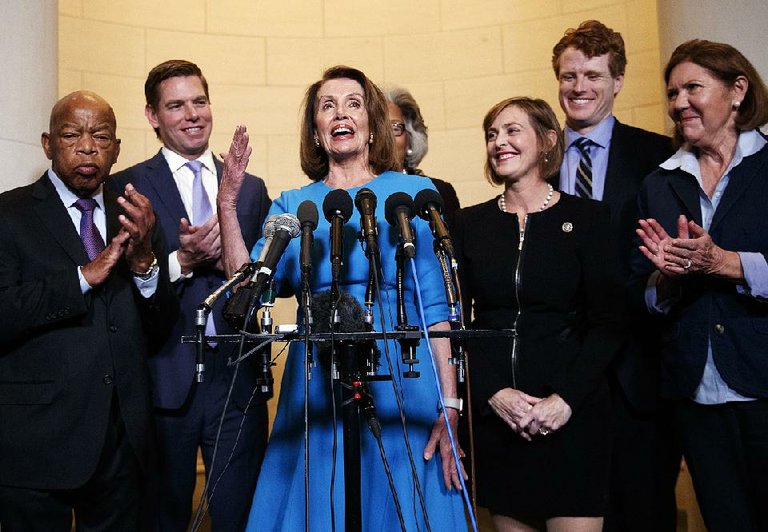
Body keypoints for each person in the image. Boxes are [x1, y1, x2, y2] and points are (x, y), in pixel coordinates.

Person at [216, 65, 468, 531]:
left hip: (403, 371)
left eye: (353, 104)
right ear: (315, 129)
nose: (340, 114)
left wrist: (450, 406)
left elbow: (436, 309)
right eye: (326, 106)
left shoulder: (412, 193)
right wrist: (227, 205)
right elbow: (248, 286)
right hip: (317, 377)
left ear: (372, 124)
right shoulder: (295, 205)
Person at [631, 39, 768, 532]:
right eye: (672, 92)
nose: (679, 102)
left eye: (693, 88)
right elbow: (637, 291)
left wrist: (725, 263)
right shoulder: (657, 184)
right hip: (695, 394)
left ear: (738, 90)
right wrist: (664, 281)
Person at [0, 91, 176, 530]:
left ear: (116, 148)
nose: (86, 146)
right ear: (47, 143)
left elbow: (159, 329)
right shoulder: (9, 213)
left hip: (121, 443)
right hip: (34, 442)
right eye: (71, 134)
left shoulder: (135, 214)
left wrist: (144, 267)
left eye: (100, 135)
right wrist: (82, 277)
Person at [111, 60, 271, 531]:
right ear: (152, 115)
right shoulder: (126, 186)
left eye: (199, 101)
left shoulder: (251, 188)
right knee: (162, 519)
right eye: (176, 105)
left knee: (238, 517)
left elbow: (263, 283)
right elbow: (119, 293)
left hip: (237, 378)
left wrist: (233, 263)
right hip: (163, 380)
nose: (191, 114)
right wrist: (181, 261)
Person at [453, 96, 625, 531]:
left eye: (512, 131)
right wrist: (493, 393)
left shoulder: (588, 218)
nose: (499, 142)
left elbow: (609, 322)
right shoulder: (469, 225)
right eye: (492, 134)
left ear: (548, 141)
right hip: (499, 423)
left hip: (572, 419)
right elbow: (458, 323)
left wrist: (565, 399)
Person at [551, 20, 680, 531]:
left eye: (593, 75)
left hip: (635, 373)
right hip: (557, 372)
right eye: (568, 75)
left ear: (618, 80)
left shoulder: (660, 157)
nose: (579, 87)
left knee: (643, 511)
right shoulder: (536, 156)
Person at [385, 87, 461, 221]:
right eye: (378, 129)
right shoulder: (355, 192)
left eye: (395, 128)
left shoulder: (438, 191)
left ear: (410, 139)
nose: (386, 137)